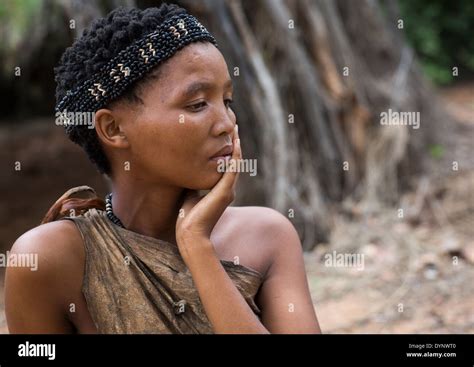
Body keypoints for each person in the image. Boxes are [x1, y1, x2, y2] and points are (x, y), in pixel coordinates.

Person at [5, 4, 321, 334]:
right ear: (113, 129)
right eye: (197, 104)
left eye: (227, 101)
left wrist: (199, 250)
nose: (227, 124)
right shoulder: (50, 261)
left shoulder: (267, 238)